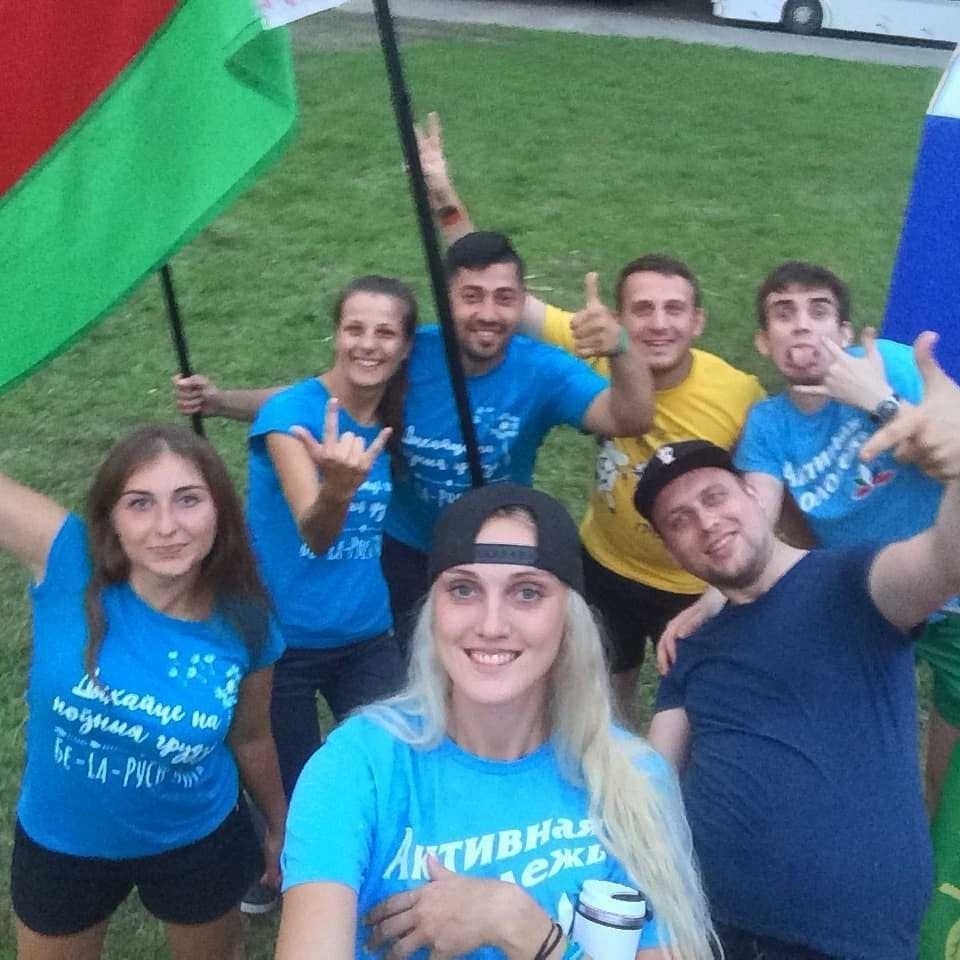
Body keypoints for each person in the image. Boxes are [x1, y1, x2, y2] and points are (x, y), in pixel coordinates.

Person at [413, 112, 768, 718]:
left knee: (706, 702)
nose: (658, 324)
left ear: (699, 321)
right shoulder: (595, 349)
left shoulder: (740, 393)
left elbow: (763, 494)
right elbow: (493, 288)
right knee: (602, 693)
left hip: (696, 577)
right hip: (604, 563)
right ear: (620, 319)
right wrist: (445, 199)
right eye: (643, 310)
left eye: (674, 310)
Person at [275, 483, 716, 960]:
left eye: (527, 593)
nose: (490, 625)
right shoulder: (356, 768)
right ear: (432, 613)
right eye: (463, 590)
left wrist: (521, 929)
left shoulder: (634, 780)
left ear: (569, 620)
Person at [642, 331, 960, 960]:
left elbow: (946, 562)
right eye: (679, 521)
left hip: (848, 941)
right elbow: (650, 785)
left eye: (714, 496)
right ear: (673, 551)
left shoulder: (853, 581)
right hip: (710, 933)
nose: (705, 523)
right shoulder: (694, 647)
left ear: (754, 497)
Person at [175, 235, 655, 646]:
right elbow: (321, 398)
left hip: (487, 542)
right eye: (471, 296)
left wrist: (621, 348)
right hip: (403, 545)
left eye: (504, 298)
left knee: (484, 654)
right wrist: (220, 402)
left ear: (522, 301)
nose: (488, 313)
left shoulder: (544, 369)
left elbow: (630, 417)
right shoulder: (411, 350)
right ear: (446, 300)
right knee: (411, 663)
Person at [660, 260, 960, 813]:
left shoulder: (892, 365)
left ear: (844, 333)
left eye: (819, 311)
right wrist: (709, 601)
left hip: (952, 588)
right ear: (764, 342)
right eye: (783, 313)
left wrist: (879, 401)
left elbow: (954, 450)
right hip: (869, 600)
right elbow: (752, 520)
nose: (801, 324)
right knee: (855, 752)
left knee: (946, 779)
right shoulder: (769, 425)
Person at [3, 424, 286, 960]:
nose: (167, 527)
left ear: (219, 510)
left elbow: (251, 736)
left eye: (188, 500)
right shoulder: (68, 560)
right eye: (139, 503)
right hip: (62, 840)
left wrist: (277, 823)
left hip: (195, 839)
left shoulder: (245, 620)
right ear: (110, 517)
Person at [245, 275, 416, 801]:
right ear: (336, 335)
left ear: (406, 347)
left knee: (392, 771)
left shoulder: (394, 416)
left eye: (385, 333)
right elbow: (315, 533)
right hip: (282, 641)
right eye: (354, 329)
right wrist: (338, 489)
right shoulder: (289, 419)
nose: (368, 344)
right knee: (301, 791)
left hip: (366, 633)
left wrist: (217, 399)